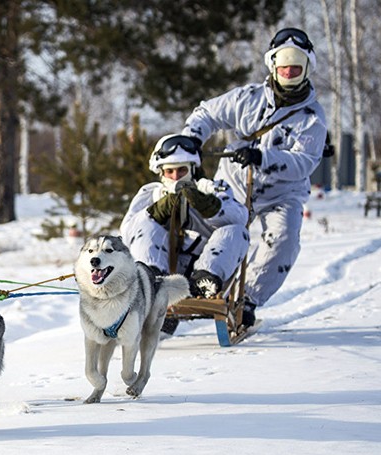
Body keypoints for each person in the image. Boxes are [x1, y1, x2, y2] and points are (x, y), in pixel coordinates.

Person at [181, 27, 327, 327]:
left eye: (295, 68)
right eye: (284, 66)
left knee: (284, 240)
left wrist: (263, 157)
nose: (289, 72)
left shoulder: (313, 118)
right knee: (210, 227)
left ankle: (247, 299)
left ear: (306, 68)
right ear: (273, 65)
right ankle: (192, 284)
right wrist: (191, 141)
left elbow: (304, 162)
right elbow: (206, 114)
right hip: (235, 182)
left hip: (283, 193)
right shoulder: (247, 99)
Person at [120, 134, 250, 334]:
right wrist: (156, 211)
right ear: (161, 172)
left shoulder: (213, 189)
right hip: (166, 266)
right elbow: (127, 231)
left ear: (192, 170)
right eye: (170, 171)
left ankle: (204, 280)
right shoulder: (149, 193)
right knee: (144, 223)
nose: (176, 177)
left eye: (182, 170)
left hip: (207, 265)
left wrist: (211, 208)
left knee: (236, 231)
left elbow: (241, 217)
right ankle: (151, 278)